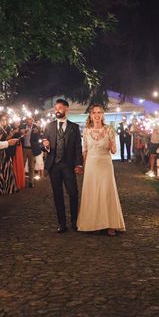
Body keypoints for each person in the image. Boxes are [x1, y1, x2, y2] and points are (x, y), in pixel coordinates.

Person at [77, 104, 125, 236]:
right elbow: (85, 150)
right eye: (94, 113)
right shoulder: (86, 130)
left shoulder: (109, 129)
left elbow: (114, 151)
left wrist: (111, 144)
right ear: (91, 115)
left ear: (103, 115)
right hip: (91, 164)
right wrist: (82, 165)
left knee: (106, 191)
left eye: (99, 112)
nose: (97, 115)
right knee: (92, 192)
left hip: (105, 164)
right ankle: (94, 223)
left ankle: (110, 223)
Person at [42, 99, 83, 233]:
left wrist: (78, 164)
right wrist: (46, 146)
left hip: (68, 165)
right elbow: (44, 145)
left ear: (66, 109)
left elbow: (78, 147)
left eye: (60, 107)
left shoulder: (74, 127)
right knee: (57, 194)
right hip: (54, 165)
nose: (57, 110)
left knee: (73, 193)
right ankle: (62, 223)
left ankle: (74, 222)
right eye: (56, 108)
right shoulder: (49, 127)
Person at [0, 114, 19, 195]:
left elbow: (5, 139)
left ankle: (9, 187)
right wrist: (12, 134)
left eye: (5, 119)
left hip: (5, 150)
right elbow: (0, 140)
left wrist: (12, 134)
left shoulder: (4, 128)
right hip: (0, 152)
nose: (5, 121)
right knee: (2, 169)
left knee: (8, 168)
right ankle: (3, 188)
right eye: (3, 120)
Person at [21, 117, 41, 187]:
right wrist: (22, 134)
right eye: (27, 119)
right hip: (23, 148)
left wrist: (37, 132)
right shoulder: (22, 126)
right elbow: (19, 136)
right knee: (22, 165)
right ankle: (21, 181)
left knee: (31, 166)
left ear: (32, 120)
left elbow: (39, 137)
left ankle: (31, 181)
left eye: (29, 119)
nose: (28, 121)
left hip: (32, 148)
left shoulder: (36, 127)